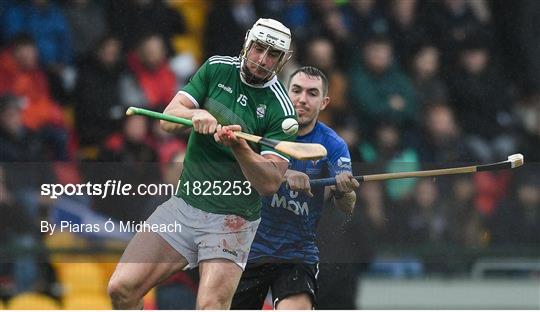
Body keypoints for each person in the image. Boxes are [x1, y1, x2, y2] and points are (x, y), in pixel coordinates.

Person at [107, 18, 296, 309]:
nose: (262, 60)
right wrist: (195, 116)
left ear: (283, 60)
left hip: (232, 220)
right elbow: (170, 118)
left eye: (272, 55)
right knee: (121, 288)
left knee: (210, 307)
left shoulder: (281, 110)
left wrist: (240, 147)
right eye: (258, 48)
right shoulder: (216, 67)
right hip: (184, 205)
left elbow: (270, 183)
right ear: (247, 43)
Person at [231, 66, 360, 309]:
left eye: (312, 93)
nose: (302, 99)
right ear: (284, 91)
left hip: (297, 255)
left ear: (324, 102)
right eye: (296, 90)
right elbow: (235, 172)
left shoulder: (333, 144)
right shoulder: (259, 130)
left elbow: (348, 206)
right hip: (247, 249)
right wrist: (284, 173)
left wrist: (344, 189)